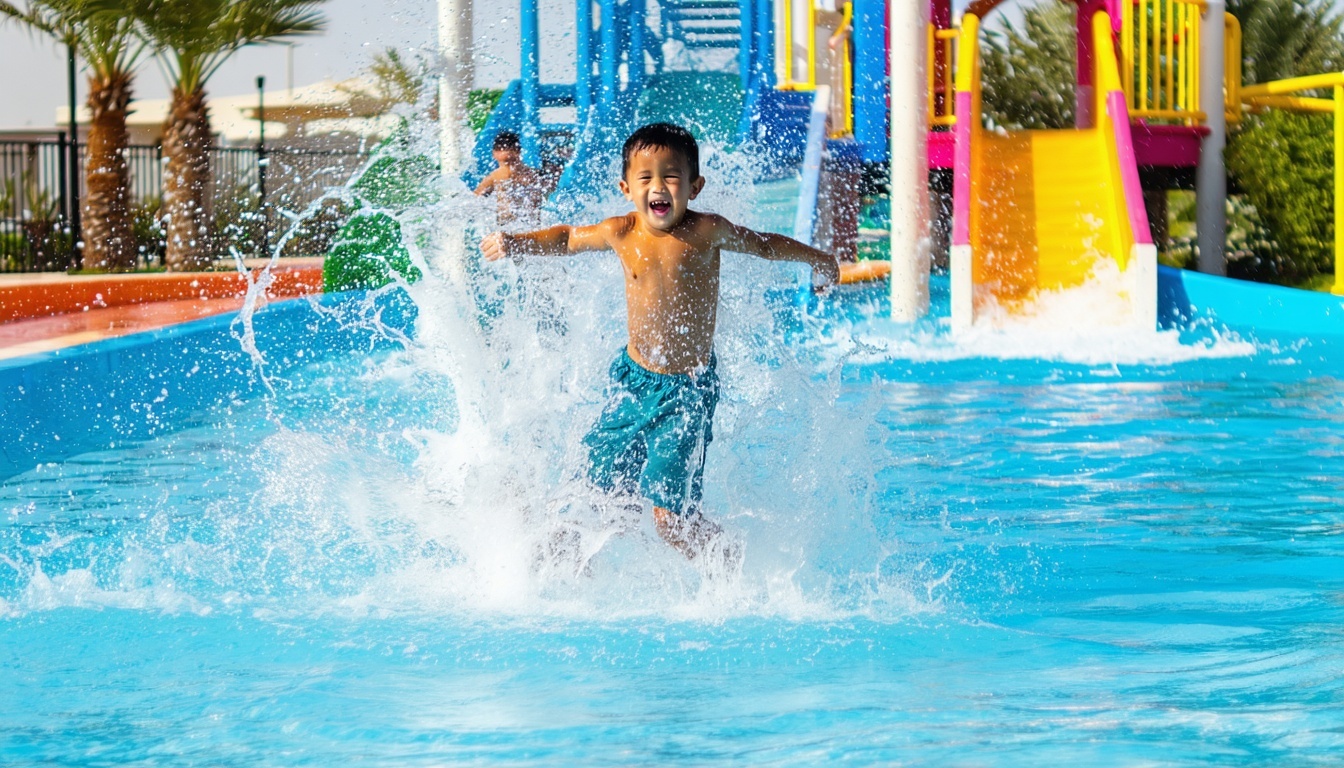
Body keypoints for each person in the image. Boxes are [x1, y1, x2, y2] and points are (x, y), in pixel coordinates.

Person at [481, 122, 839, 562]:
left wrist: (818, 259)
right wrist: (516, 242)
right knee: (593, 491)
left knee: (670, 523)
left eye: (671, 175)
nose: (659, 186)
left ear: (694, 186)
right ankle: (566, 579)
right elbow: (568, 237)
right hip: (633, 382)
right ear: (626, 187)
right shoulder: (621, 231)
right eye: (645, 177)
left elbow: (764, 246)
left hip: (687, 390)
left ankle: (727, 563)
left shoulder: (707, 231)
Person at [474, 131, 546, 227]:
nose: (508, 169)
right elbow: (475, 200)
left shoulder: (495, 176)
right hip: (514, 225)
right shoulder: (533, 175)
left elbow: (474, 200)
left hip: (513, 225)